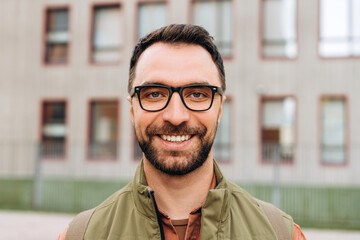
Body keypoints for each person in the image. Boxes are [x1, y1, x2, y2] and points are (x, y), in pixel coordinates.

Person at [57, 24, 306, 240]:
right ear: (132, 110)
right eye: (154, 94)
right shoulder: (81, 235)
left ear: (220, 109)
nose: (176, 116)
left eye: (197, 94)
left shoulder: (280, 233)